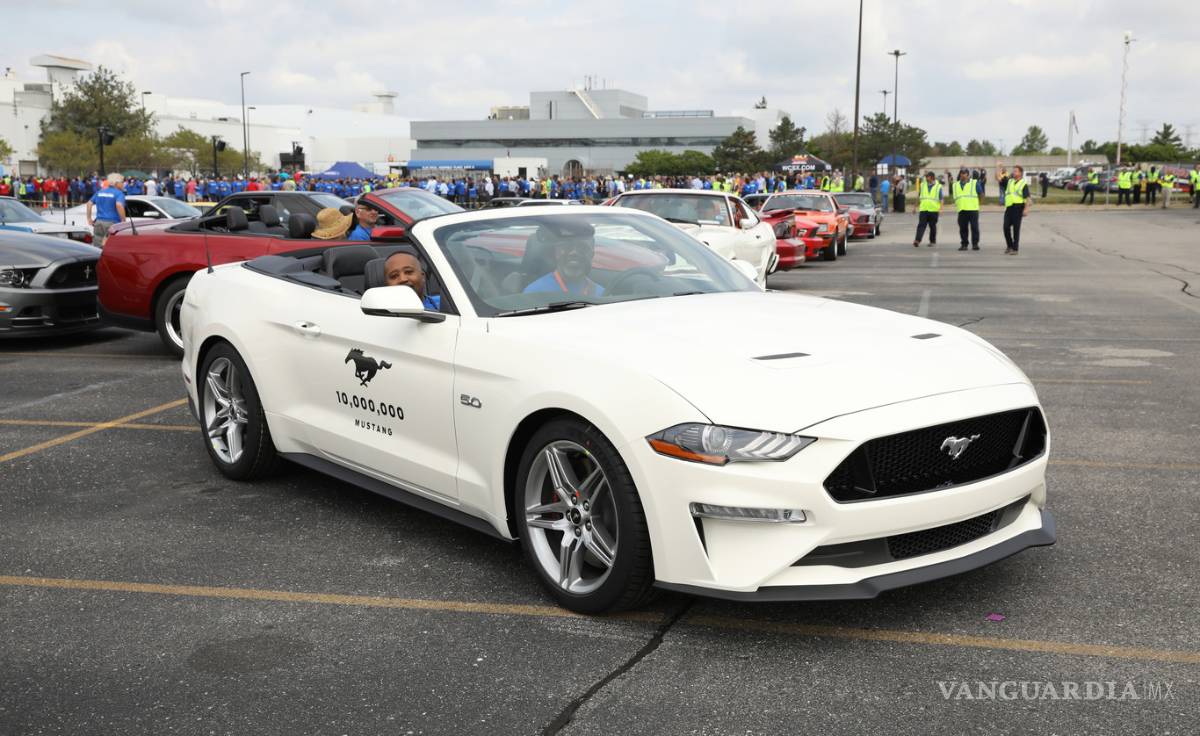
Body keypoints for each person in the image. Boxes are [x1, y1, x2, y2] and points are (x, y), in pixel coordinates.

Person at [523, 221, 605, 297]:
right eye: (567, 246)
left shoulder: (603, 295)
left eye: (582, 247)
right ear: (556, 252)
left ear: (591, 254)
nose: (574, 253)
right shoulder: (534, 293)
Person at [997, 164, 1032, 255]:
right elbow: (999, 179)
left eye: (1016, 171)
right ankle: (1009, 245)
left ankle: (1015, 249)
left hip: (1018, 208)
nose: (1014, 172)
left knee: (1016, 229)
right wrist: (999, 168)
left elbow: (1028, 198)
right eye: (1013, 170)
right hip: (1009, 208)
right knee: (1006, 227)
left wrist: (1026, 209)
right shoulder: (1009, 181)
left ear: (1020, 173)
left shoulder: (1023, 184)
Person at [85, 173, 127, 248]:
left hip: (98, 222)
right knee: (112, 247)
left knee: (98, 247)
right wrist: (123, 220)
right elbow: (119, 205)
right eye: (122, 182)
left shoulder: (100, 192)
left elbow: (89, 203)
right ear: (116, 183)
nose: (123, 184)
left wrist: (89, 218)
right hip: (112, 223)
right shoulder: (119, 193)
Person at [952, 168, 981, 251]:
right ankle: (964, 244)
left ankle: (975, 244)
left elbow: (981, 194)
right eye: (961, 173)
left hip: (973, 209)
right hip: (961, 209)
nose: (962, 175)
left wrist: (978, 203)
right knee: (963, 228)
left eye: (964, 173)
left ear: (968, 175)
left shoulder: (974, 183)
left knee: (974, 227)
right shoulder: (955, 185)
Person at [912, 171, 942, 247]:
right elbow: (919, 197)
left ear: (932, 177)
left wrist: (941, 209)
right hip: (923, 209)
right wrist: (915, 207)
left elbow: (941, 199)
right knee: (921, 225)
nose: (926, 178)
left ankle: (932, 241)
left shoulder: (938, 186)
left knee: (932, 226)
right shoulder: (922, 185)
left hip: (934, 210)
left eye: (927, 176)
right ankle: (917, 240)